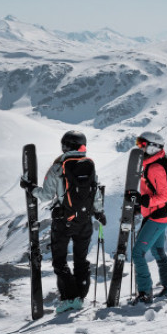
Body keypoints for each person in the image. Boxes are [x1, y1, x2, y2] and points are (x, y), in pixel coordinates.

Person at [21, 130, 106, 313]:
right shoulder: (89, 165)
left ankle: (70, 299)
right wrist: (99, 212)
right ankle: (80, 297)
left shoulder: (58, 167)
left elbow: (45, 195)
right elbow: (95, 192)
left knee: (60, 262)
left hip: (63, 221)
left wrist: (29, 187)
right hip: (85, 221)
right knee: (81, 260)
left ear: (65, 146)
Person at [131, 130, 167, 305]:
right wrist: (141, 204)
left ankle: (145, 292)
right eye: (138, 143)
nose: (139, 148)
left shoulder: (155, 168)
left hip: (157, 217)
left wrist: (145, 200)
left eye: (142, 144)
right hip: (157, 215)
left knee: (138, 253)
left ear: (153, 147)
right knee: (157, 251)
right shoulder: (149, 166)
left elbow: (164, 196)